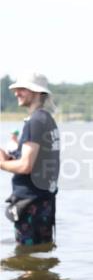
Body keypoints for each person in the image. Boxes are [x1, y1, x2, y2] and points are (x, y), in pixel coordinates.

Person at [1, 73, 60, 247]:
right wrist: (10, 158)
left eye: (22, 89)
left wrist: (2, 164)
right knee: (40, 256)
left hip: (31, 204)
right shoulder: (46, 119)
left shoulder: (35, 121)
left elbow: (26, 166)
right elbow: (37, 161)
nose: (16, 93)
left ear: (36, 92)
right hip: (43, 201)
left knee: (26, 258)